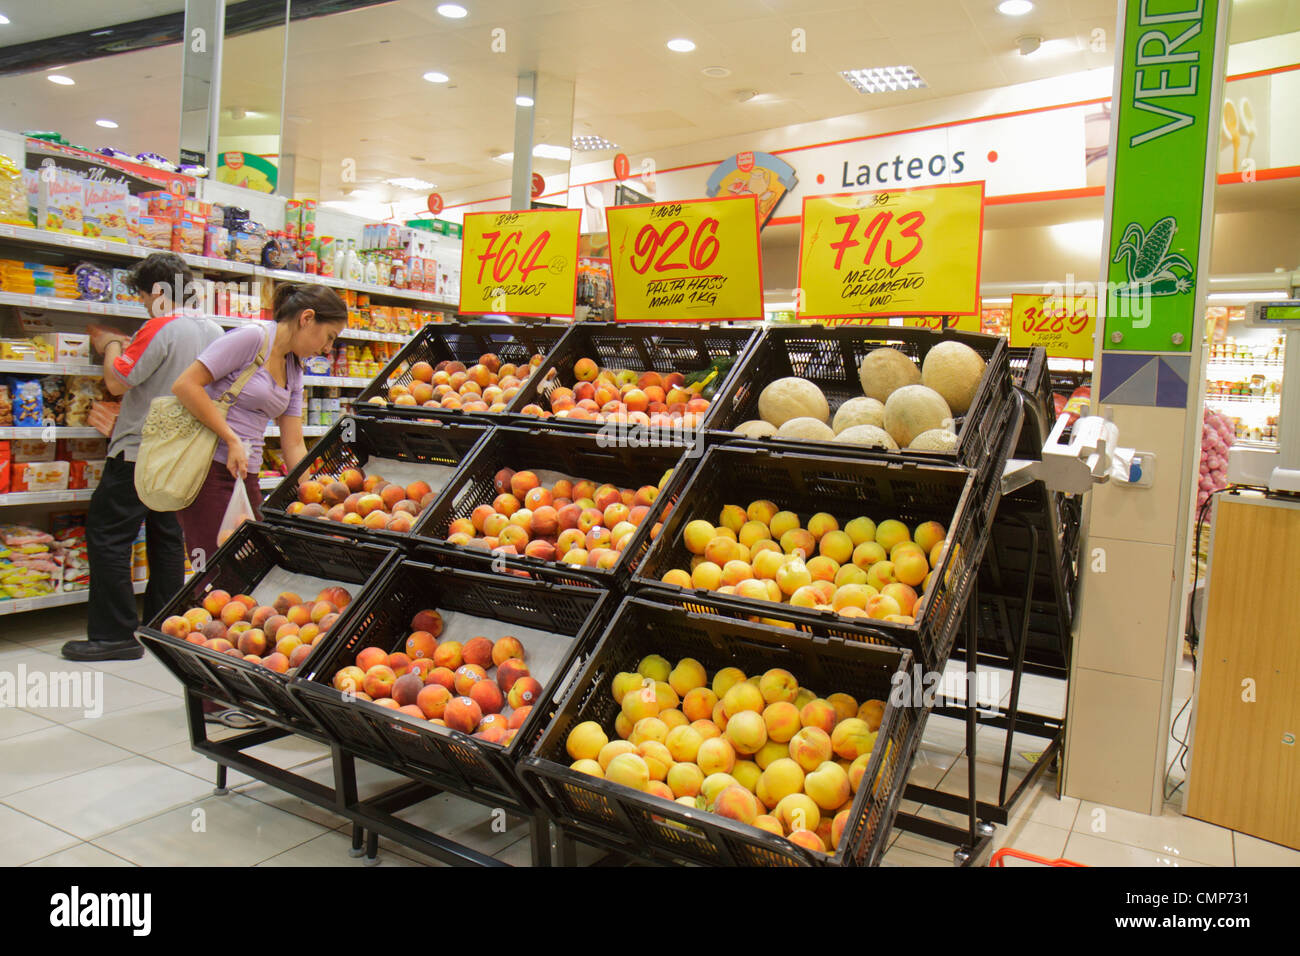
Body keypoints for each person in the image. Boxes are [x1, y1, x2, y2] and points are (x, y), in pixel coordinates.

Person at [62, 253, 222, 661]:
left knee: (109, 536)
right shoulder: (214, 329)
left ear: (156, 293)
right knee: (168, 540)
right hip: (185, 456)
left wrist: (110, 342)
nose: (142, 305)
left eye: (141, 296)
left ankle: (113, 636)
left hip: (140, 453)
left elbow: (117, 383)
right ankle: (163, 627)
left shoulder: (160, 327)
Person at [172, 283, 346, 560]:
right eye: (329, 337)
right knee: (216, 570)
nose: (327, 348)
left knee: (252, 565)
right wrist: (230, 438)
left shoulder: (294, 369)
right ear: (307, 318)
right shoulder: (252, 338)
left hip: (245, 475)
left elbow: (294, 442)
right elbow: (185, 385)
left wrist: (315, 496)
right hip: (208, 470)